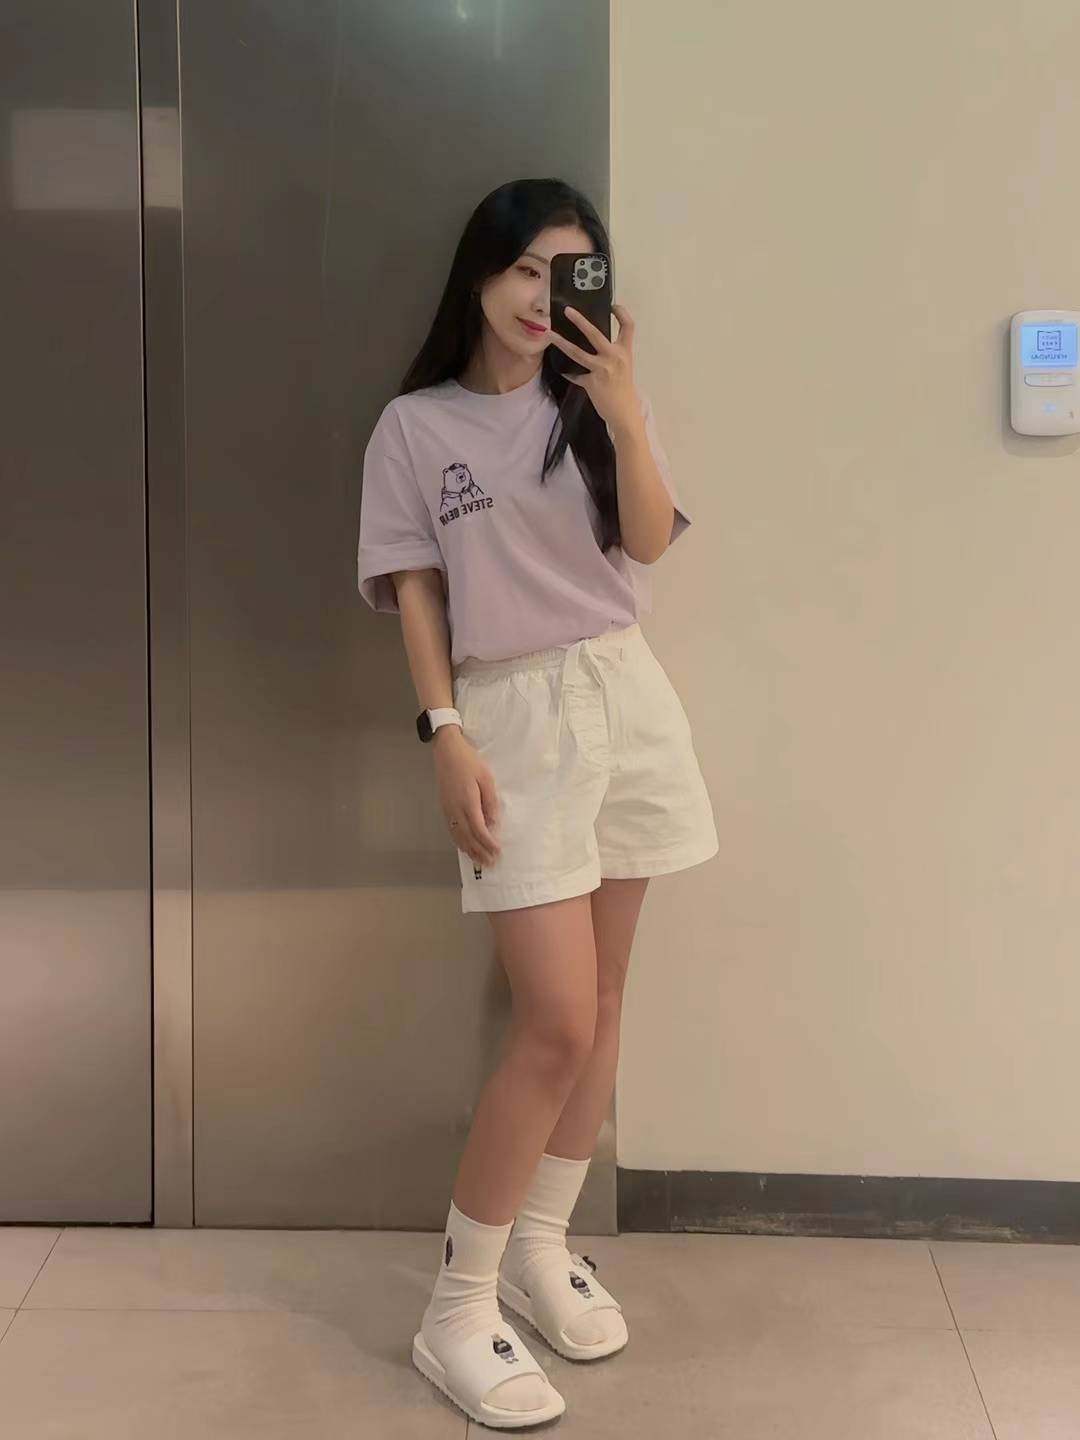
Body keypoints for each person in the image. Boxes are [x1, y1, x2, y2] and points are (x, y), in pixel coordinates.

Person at [356, 177, 719, 1429]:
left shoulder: (591, 403)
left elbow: (650, 544)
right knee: (554, 1020)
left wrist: (624, 407)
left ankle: (539, 1247)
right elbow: (415, 589)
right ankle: (455, 1310)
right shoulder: (415, 427)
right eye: (523, 269)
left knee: (605, 999)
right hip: (510, 714)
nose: (537, 297)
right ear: (479, 273)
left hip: (627, 694)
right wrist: (444, 731)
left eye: (566, 274)